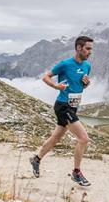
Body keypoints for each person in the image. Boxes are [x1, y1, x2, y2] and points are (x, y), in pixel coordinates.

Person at [30, 36, 94, 187]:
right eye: (88, 48)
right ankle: (76, 172)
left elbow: (80, 86)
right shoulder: (65, 64)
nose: (90, 52)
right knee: (83, 139)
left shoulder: (87, 66)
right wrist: (56, 86)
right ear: (79, 48)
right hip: (63, 105)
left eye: (91, 49)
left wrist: (86, 84)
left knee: (55, 138)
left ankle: (36, 159)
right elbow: (45, 77)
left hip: (73, 106)